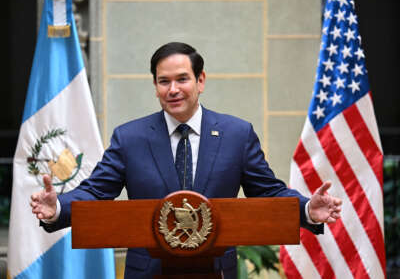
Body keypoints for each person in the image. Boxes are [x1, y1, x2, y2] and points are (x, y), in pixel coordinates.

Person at [31, 42, 342, 279]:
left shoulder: (237, 133)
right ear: (155, 86)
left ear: (200, 80)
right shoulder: (130, 137)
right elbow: (97, 192)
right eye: (164, 81)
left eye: (182, 79)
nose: (173, 89)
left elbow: (269, 192)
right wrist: (57, 208)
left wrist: (306, 209)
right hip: (148, 272)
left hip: (216, 270)